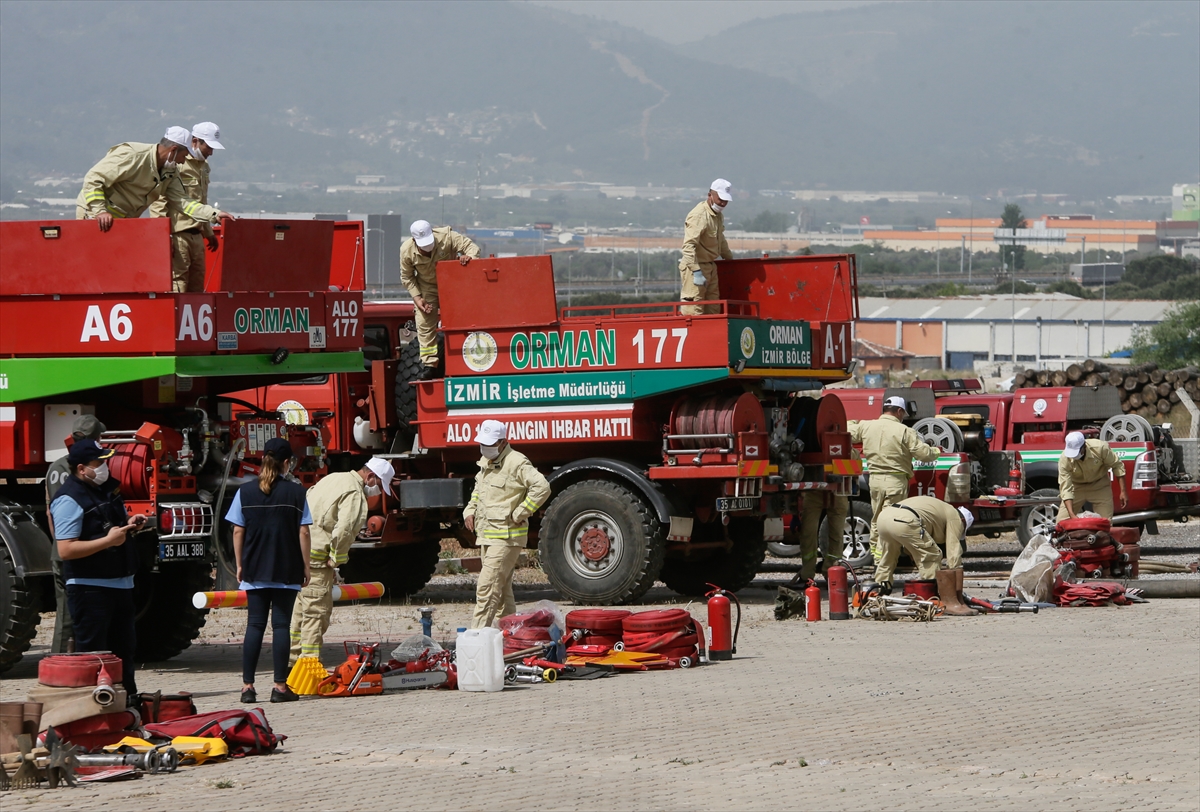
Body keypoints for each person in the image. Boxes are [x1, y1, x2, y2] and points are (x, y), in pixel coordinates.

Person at [50, 439, 146, 696]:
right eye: (99, 462)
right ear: (82, 468)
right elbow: (65, 549)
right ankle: (94, 716)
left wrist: (130, 522)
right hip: (90, 589)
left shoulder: (105, 489)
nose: (105, 466)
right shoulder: (69, 499)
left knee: (124, 653)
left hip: (121, 585)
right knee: (93, 657)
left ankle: (128, 707)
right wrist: (108, 541)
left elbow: (111, 523)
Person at [226, 438, 311, 703]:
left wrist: (240, 564)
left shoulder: (245, 492)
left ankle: (248, 688)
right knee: (281, 625)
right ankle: (279, 687)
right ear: (286, 463)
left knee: (255, 625)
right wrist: (306, 566)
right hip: (287, 567)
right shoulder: (297, 493)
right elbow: (304, 531)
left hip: (254, 567)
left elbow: (238, 530)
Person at [288, 457, 394, 665]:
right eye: (379, 486)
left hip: (299, 553)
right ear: (371, 477)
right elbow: (344, 530)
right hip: (318, 562)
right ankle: (308, 665)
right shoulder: (355, 495)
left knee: (300, 612)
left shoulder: (333, 478)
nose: (378, 491)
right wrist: (336, 558)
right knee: (316, 615)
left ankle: (291, 661)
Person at [463, 420, 550, 629]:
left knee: (487, 588)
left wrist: (521, 511)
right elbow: (478, 491)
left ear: (503, 442)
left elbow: (542, 487)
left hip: (507, 537)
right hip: (487, 536)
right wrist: (470, 510)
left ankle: (476, 636)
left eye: (490, 443)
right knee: (501, 592)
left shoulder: (517, 462)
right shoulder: (486, 462)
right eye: (483, 443)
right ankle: (511, 636)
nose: (485, 448)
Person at [76, 126, 232, 236]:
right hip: (94, 215)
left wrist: (215, 214)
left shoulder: (170, 172)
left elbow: (184, 203)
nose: (183, 162)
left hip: (122, 221)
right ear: (173, 150)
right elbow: (93, 179)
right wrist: (100, 211)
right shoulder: (132, 155)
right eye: (183, 156)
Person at [849, 396, 941, 564]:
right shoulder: (905, 431)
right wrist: (936, 450)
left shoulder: (867, 426)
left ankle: (877, 559)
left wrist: (855, 421)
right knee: (891, 521)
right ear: (899, 411)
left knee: (877, 520)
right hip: (895, 482)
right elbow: (923, 454)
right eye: (903, 413)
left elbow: (847, 429)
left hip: (875, 481)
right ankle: (886, 560)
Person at [44, 415, 108, 654]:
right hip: (76, 551)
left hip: (64, 548)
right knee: (70, 615)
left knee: (70, 613)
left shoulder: (56, 467)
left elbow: (51, 513)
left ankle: (69, 660)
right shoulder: (84, 469)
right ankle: (60, 662)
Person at [149, 122, 225, 293]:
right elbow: (159, 200)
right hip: (178, 234)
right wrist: (162, 236)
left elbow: (200, 202)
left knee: (197, 288)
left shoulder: (204, 167)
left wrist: (208, 233)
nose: (210, 153)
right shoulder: (176, 162)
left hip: (197, 236)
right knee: (178, 286)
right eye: (208, 147)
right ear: (195, 141)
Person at [399, 220, 480, 379]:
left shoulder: (447, 237)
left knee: (465, 319)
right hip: (428, 288)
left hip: (453, 284)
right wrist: (417, 298)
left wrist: (468, 258)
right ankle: (430, 364)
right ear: (414, 240)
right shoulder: (406, 250)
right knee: (424, 321)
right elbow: (407, 277)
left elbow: (472, 248)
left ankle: (473, 355)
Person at [873, 495, 977, 616]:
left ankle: (877, 593)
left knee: (888, 557)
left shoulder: (940, 509)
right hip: (904, 520)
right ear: (964, 522)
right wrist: (956, 577)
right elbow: (953, 552)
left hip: (883, 518)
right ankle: (931, 598)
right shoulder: (956, 517)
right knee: (933, 555)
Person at [678, 179, 733, 316]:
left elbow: (721, 240)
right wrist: (696, 271)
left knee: (713, 308)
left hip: (710, 267)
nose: (722, 203)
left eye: (725, 201)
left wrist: (729, 259)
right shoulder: (699, 216)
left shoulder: (718, 216)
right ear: (710, 195)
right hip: (695, 268)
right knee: (694, 310)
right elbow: (688, 247)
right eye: (720, 199)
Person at [1058, 431, 1128, 520]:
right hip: (1076, 487)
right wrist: (1071, 514)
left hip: (1099, 485)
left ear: (1084, 446)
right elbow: (1065, 488)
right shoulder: (1065, 459)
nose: (1073, 456)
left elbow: (1117, 465)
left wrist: (1123, 491)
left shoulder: (1100, 448)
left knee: (1105, 523)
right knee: (1061, 522)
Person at [797, 490, 850, 582]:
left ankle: (832, 574)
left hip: (837, 491)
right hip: (815, 490)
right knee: (808, 534)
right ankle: (807, 575)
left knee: (836, 535)